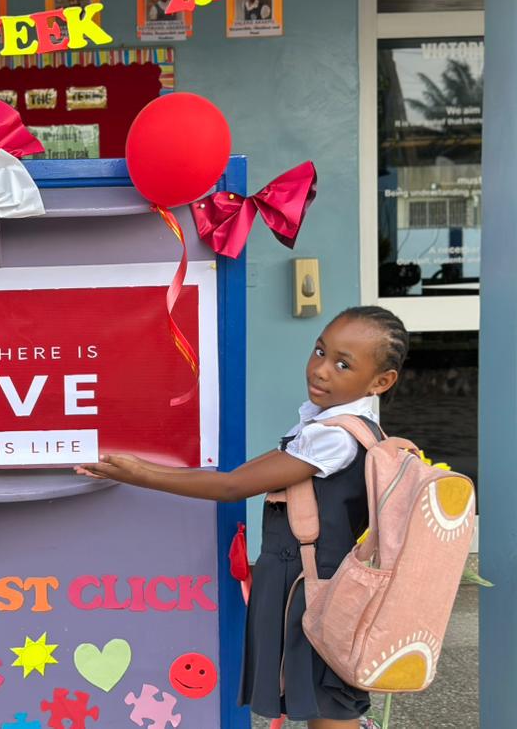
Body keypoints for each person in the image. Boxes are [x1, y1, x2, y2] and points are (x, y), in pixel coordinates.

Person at [78, 306, 410, 729]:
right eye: (320, 351)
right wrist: (140, 465)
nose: (321, 370)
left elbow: (232, 487)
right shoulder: (335, 426)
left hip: (313, 585)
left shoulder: (335, 438)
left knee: (327, 705)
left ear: (381, 381)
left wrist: (138, 474)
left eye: (343, 365)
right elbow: (236, 476)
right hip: (309, 578)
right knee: (319, 700)